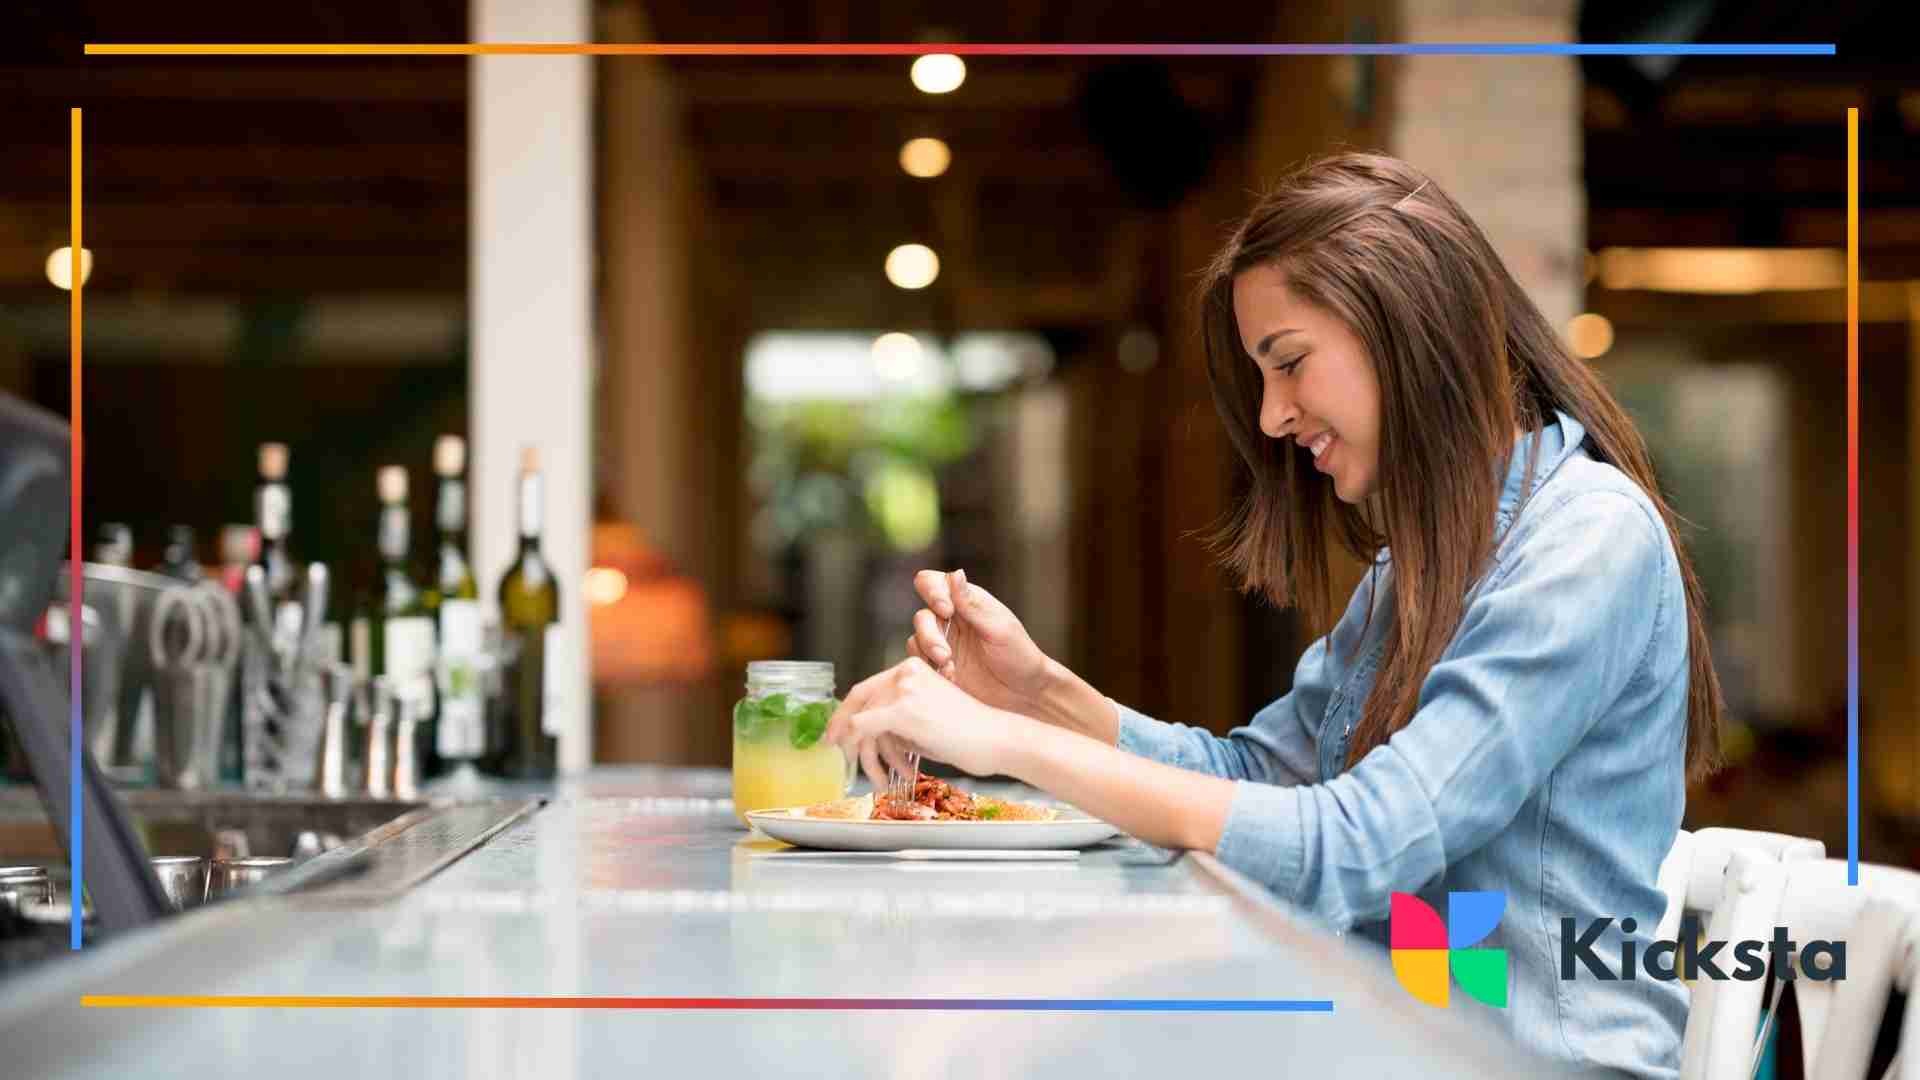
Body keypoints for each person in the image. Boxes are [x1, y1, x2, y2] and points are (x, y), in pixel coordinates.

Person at [825, 151, 1724, 1079]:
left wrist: (1002, 743)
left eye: (1289, 363)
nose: (1271, 418)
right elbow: (1263, 775)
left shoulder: (1585, 543)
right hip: (1395, 1044)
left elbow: (1358, 845)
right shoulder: (1422, 564)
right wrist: (1034, 693)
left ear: (1407, 321)